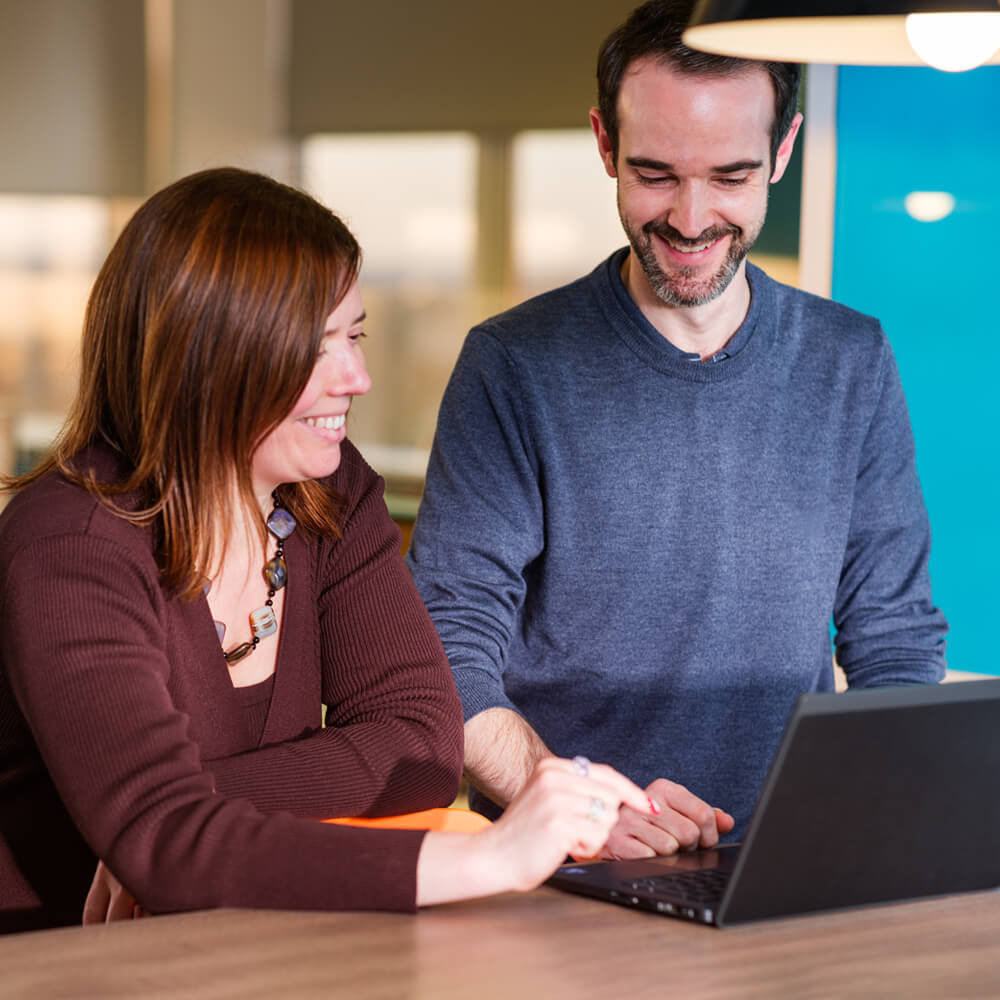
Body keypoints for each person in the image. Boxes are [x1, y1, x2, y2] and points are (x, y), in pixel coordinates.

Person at [0, 167, 655, 934]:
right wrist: (495, 857)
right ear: (210, 360)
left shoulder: (331, 495)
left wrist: (169, 821)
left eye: (356, 336)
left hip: (250, 935)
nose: (360, 377)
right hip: (56, 957)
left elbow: (421, 745)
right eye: (318, 348)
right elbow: (163, 839)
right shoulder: (69, 542)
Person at [406, 0, 948, 859]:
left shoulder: (852, 359)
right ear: (603, 144)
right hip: (564, 869)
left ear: (784, 151)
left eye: (730, 177)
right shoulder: (513, 366)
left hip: (790, 859)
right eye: (655, 174)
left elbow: (893, 633)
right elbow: (444, 644)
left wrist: (870, 818)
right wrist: (578, 812)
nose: (692, 220)